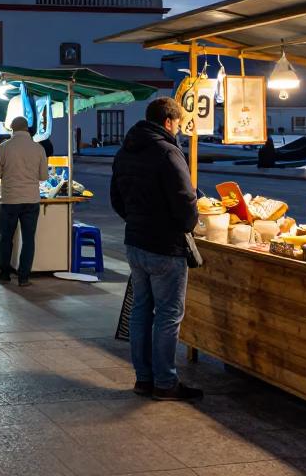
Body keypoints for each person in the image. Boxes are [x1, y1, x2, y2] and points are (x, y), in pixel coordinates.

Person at [110, 97, 204, 402]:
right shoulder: (167, 152)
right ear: (168, 121)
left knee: (141, 312)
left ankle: (144, 379)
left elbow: (116, 197)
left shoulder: (125, 149)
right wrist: (188, 224)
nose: (178, 129)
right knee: (167, 315)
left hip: (136, 242)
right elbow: (185, 199)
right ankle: (165, 382)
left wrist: (136, 220)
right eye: (178, 124)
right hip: (165, 246)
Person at [0, 116, 49, 286]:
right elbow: (43, 176)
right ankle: (24, 277)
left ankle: (4, 273)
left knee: (6, 238)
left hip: (9, 199)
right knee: (28, 239)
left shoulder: (3, 148)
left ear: (12, 129)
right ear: (27, 128)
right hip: (31, 200)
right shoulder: (38, 148)